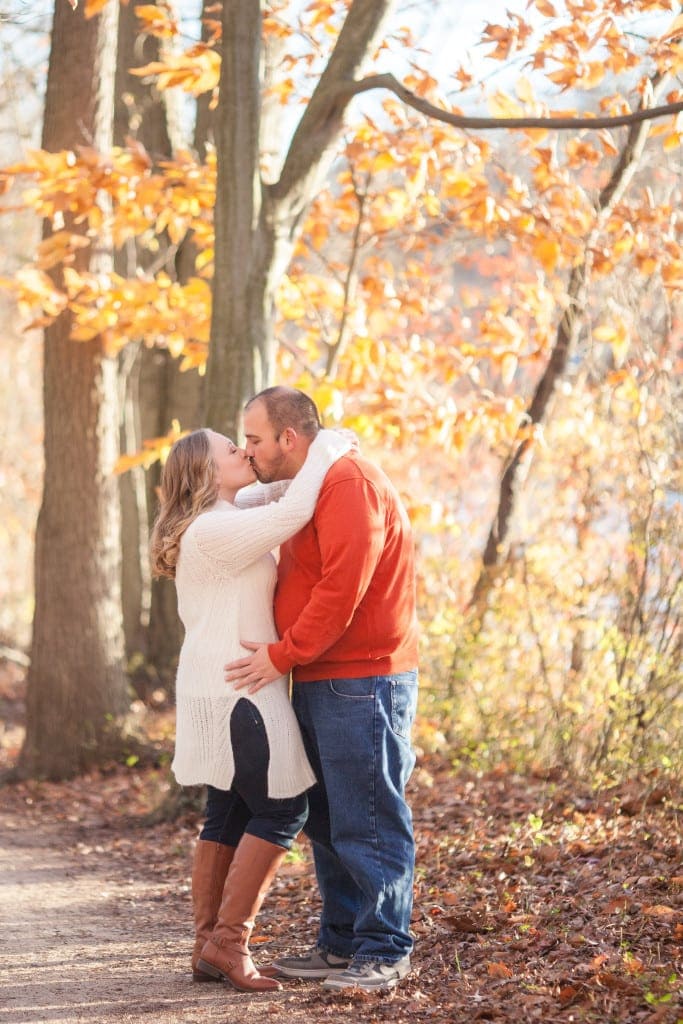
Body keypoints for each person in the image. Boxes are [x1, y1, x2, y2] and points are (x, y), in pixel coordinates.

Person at [224, 386, 419, 993]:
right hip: (319, 675)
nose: (247, 450)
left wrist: (281, 653)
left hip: (362, 678)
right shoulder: (310, 482)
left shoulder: (347, 483)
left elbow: (343, 586)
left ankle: (385, 948)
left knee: (368, 817)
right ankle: (340, 943)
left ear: (290, 437)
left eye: (254, 439)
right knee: (330, 821)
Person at [149, 424, 350, 993]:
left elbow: (269, 495)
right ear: (209, 473)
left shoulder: (213, 521)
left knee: (229, 811)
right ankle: (228, 943)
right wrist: (328, 448)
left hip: (217, 685)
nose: (244, 452)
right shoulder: (214, 530)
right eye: (232, 450)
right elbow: (288, 514)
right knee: (284, 810)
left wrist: (287, 472)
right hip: (241, 686)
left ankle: (207, 944)